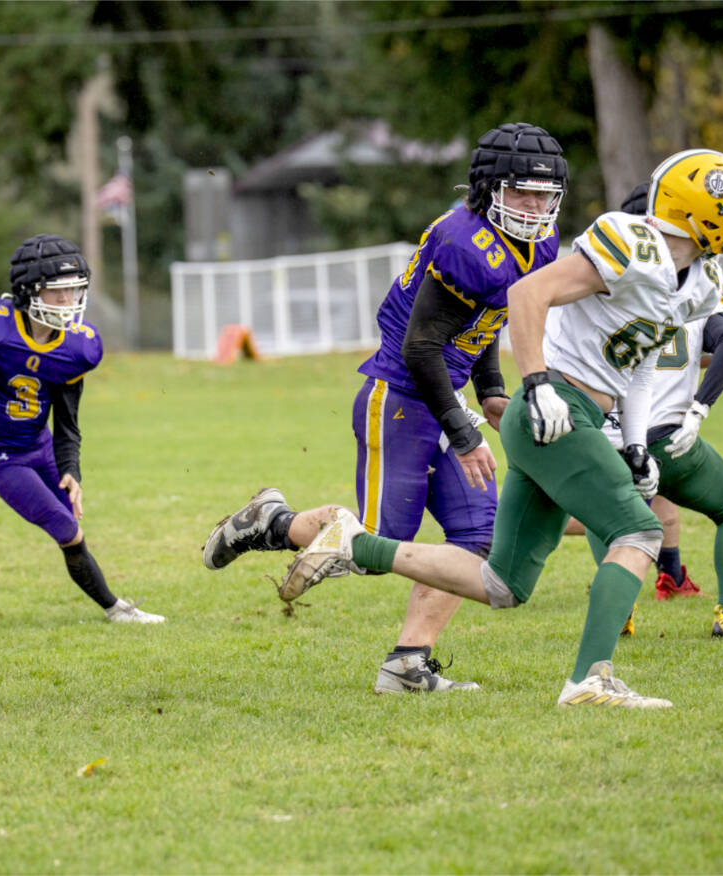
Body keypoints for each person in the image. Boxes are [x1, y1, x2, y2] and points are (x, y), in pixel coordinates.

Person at [211, 148, 723, 708]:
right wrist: (533, 384)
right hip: (547, 405)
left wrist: (634, 442)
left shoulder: (702, 279)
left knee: (501, 583)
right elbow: (523, 297)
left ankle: (368, 573)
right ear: (697, 211)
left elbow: (637, 365)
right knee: (638, 533)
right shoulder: (629, 242)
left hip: (579, 411)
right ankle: (591, 680)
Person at [204, 123, 569, 693]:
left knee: (477, 538)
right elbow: (420, 345)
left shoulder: (539, 243)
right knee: (376, 544)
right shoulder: (464, 242)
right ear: (489, 188)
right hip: (400, 396)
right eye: (523, 192)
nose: (536, 206)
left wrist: (492, 387)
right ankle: (270, 522)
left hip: (444, 395)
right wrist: (465, 430)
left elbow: (484, 324)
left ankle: (408, 663)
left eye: (546, 194)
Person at [0, 233, 164, 624]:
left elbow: (68, 419)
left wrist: (71, 469)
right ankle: (116, 609)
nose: (69, 302)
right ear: (29, 291)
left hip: (39, 444)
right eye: (57, 292)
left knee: (71, 514)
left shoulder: (76, 348)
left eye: (75, 291)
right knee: (66, 529)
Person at [578, 182, 723, 638]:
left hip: (607, 436)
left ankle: (622, 609)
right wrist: (699, 409)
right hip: (668, 435)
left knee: (604, 517)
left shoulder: (601, 275)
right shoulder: (699, 282)